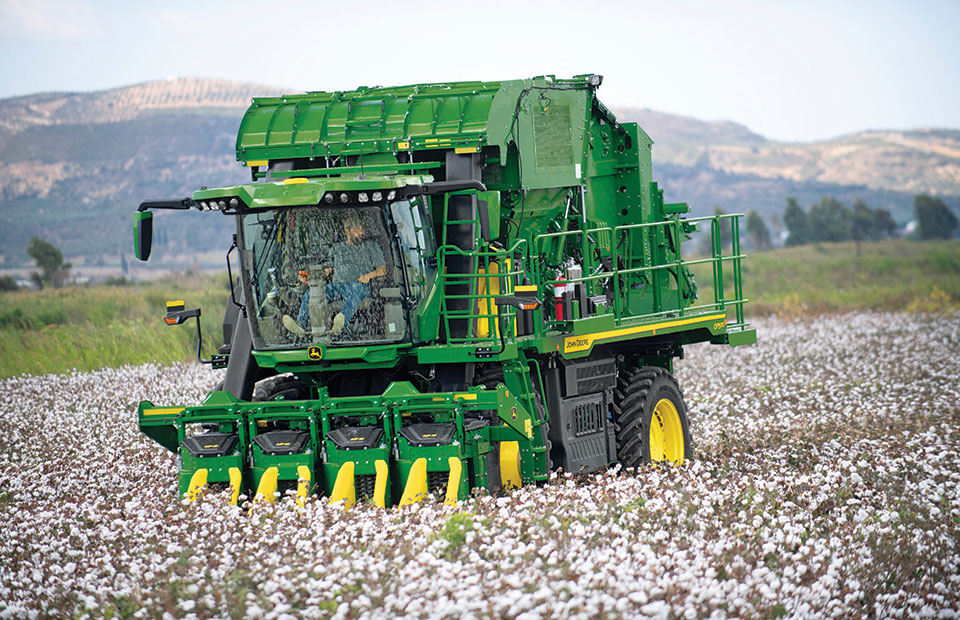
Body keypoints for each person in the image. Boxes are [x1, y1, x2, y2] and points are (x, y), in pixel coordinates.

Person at [325, 215, 386, 334]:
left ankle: (341, 322)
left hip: (360, 286)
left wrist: (369, 275)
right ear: (347, 231)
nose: (361, 233)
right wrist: (311, 276)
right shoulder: (337, 248)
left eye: (361, 229)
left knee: (355, 288)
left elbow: (383, 270)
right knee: (315, 293)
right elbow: (326, 271)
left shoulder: (371, 246)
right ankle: (301, 325)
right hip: (338, 288)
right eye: (356, 230)